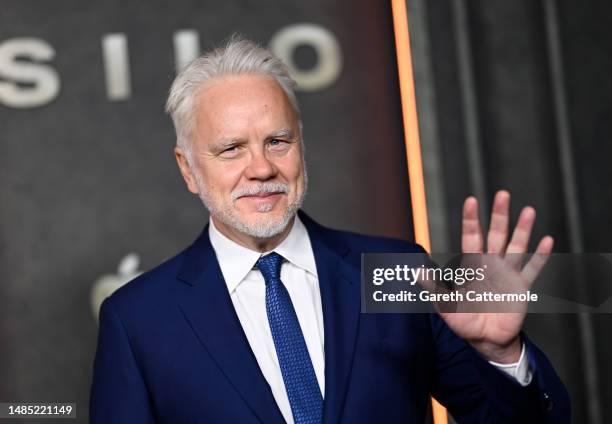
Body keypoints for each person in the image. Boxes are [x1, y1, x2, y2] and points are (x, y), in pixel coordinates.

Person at [89, 36, 569, 423]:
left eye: (278, 141)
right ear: (189, 169)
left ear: (302, 145)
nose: (261, 168)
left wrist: (501, 353)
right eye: (231, 148)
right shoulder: (138, 321)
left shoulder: (400, 274)